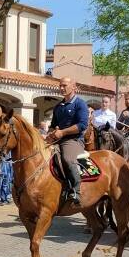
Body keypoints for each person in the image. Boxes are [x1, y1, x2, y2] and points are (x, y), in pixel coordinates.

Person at [46, 77, 89, 205]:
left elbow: (82, 125)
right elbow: (53, 125)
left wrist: (63, 132)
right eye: (60, 85)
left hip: (74, 140)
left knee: (68, 159)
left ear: (73, 86)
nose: (61, 88)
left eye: (64, 85)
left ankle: (76, 191)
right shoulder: (58, 106)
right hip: (57, 139)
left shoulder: (80, 104)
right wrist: (51, 133)